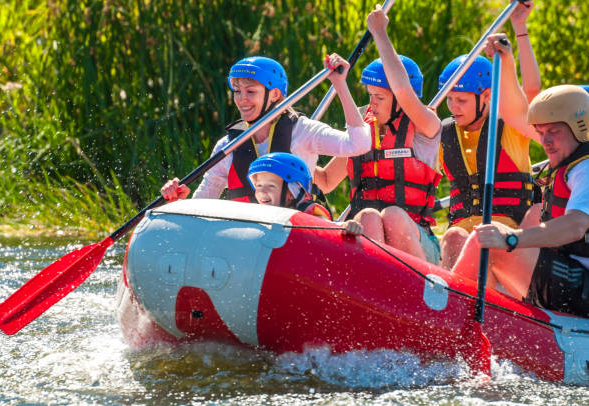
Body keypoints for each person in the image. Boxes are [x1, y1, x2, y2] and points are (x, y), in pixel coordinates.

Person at [313, 5, 442, 264]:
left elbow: (403, 90)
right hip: (371, 242)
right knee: (368, 217)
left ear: (400, 101)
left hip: (420, 249)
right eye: (370, 96)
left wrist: (379, 33)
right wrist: (293, 148)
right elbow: (326, 180)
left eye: (380, 97)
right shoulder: (364, 129)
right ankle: (378, 293)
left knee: (392, 216)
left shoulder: (426, 127)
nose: (372, 105)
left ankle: (412, 293)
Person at [451, 85, 589, 317]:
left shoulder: (584, 168)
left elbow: (576, 226)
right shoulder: (569, 164)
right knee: (534, 214)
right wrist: (504, 56)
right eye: (540, 132)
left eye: (554, 131)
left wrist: (510, 238)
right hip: (571, 277)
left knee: (483, 241)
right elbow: (513, 110)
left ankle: (443, 314)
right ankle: (475, 323)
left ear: (579, 128)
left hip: (581, 286)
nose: (545, 141)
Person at [160, 54, 371, 202]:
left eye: (250, 92)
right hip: (246, 242)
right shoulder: (227, 146)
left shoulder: (303, 132)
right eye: (236, 91)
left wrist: (340, 84)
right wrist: (180, 202)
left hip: (292, 237)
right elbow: (202, 206)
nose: (241, 100)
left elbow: (358, 144)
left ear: (275, 95)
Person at [438, 34, 541, 270]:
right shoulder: (444, 134)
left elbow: (525, 95)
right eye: (449, 99)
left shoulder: (509, 128)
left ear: (486, 96)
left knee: (472, 239)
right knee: (454, 237)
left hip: (505, 239)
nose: (453, 107)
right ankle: (452, 300)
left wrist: (505, 60)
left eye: (461, 100)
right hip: (459, 238)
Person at [170, 152, 363, 235]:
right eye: (259, 186)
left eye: (270, 186)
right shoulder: (258, 214)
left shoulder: (310, 213)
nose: (261, 192)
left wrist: (345, 226)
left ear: (292, 192)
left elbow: (329, 229)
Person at [510, 0, 541, 102]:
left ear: (486, 95)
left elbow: (531, 92)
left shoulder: (497, 113)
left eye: (462, 100)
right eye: (457, 98)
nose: (457, 106)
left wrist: (519, 26)